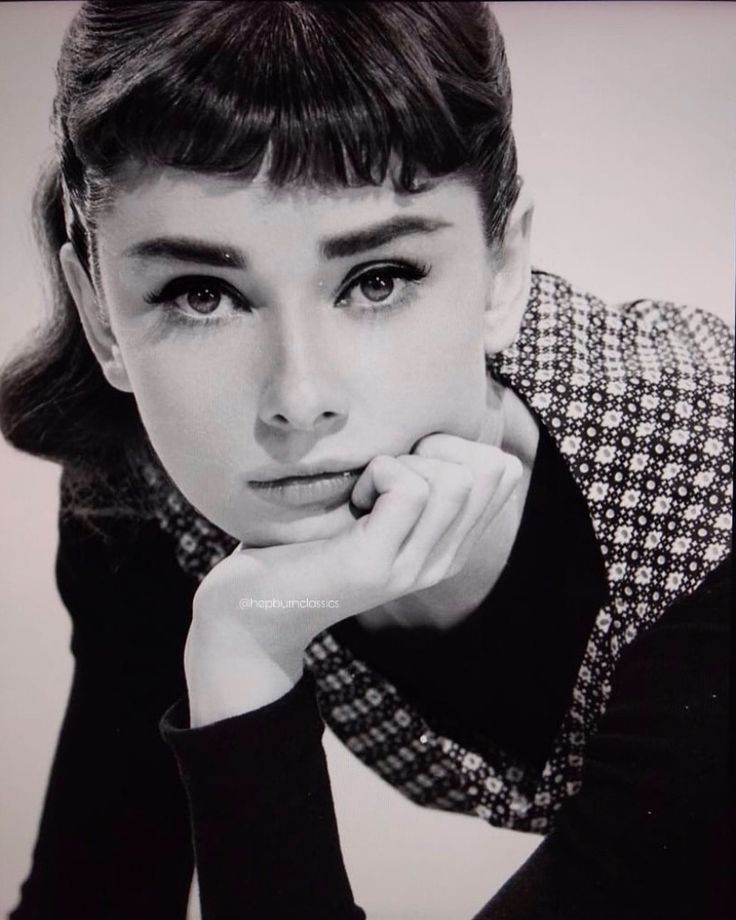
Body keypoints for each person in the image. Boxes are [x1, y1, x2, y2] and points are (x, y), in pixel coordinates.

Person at [0, 1, 731, 918]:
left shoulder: (713, 507)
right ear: (103, 313)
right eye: (200, 294)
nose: (299, 400)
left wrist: (252, 652)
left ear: (503, 267)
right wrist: (243, 646)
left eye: (376, 280)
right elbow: (93, 895)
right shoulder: (150, 493)